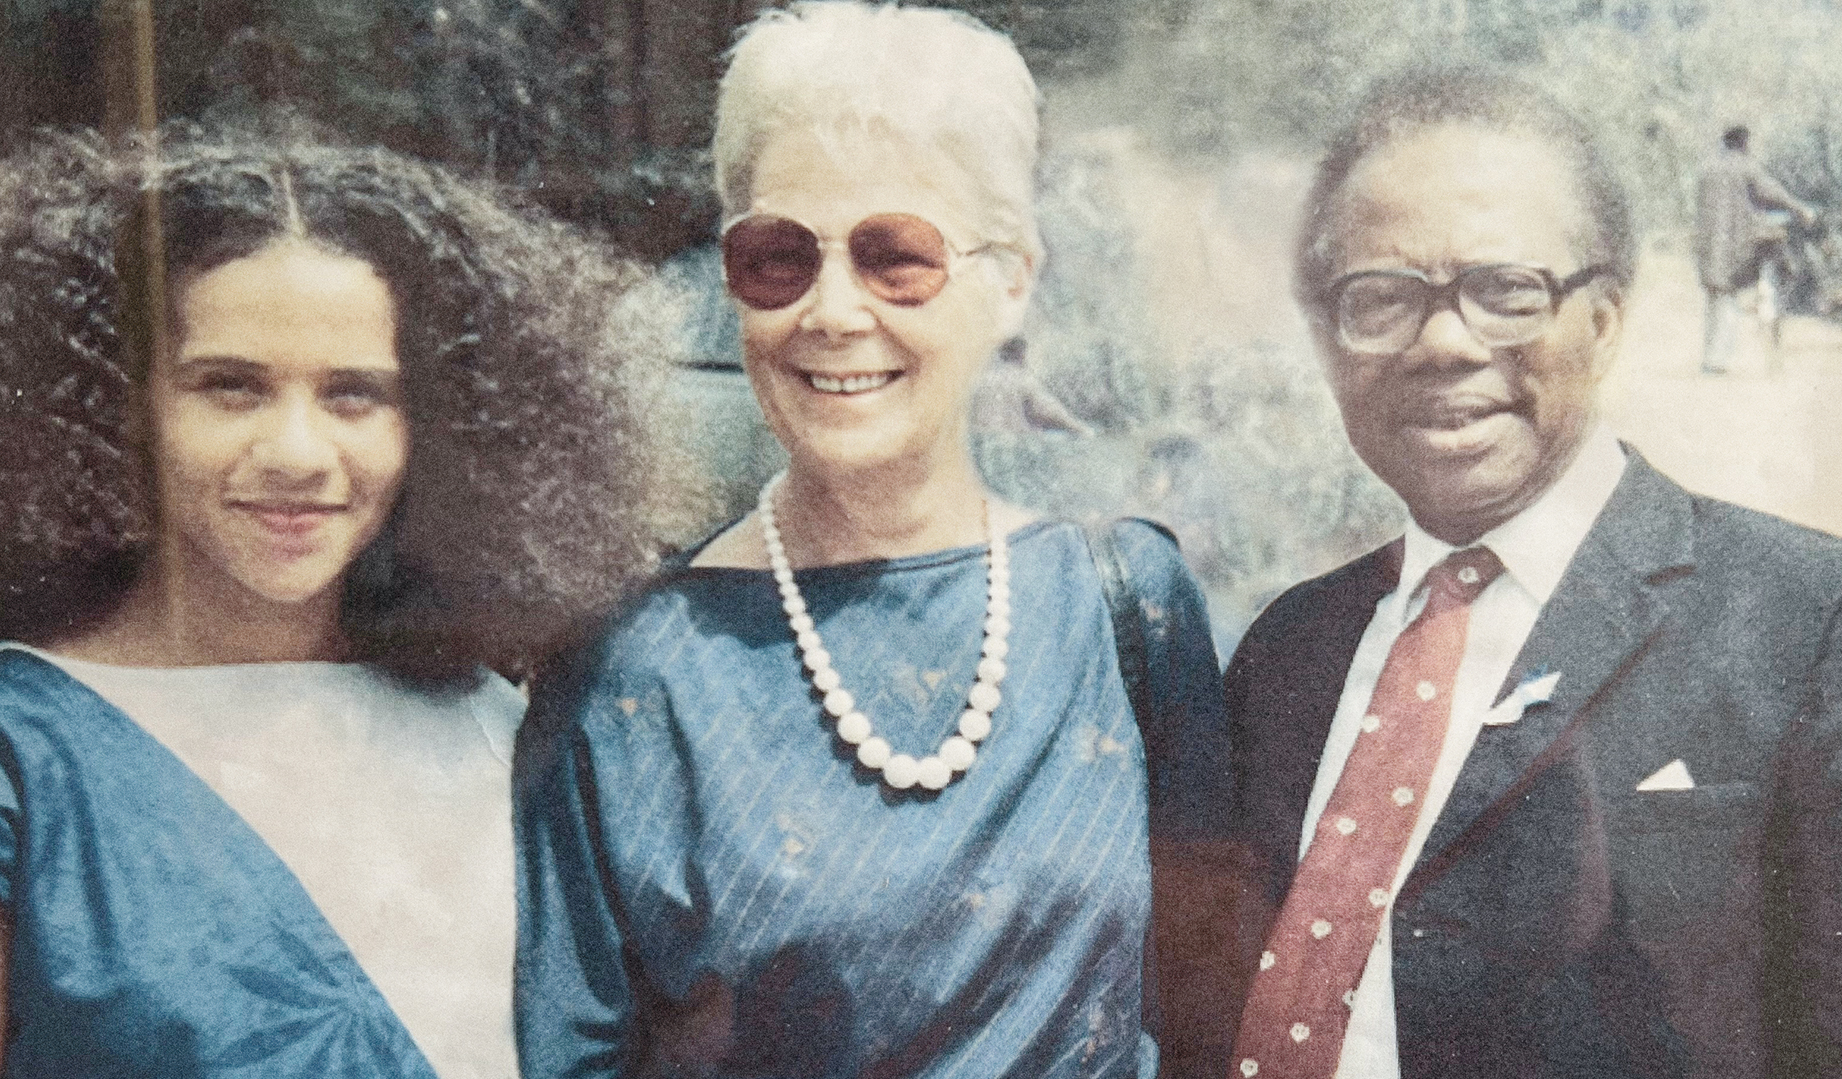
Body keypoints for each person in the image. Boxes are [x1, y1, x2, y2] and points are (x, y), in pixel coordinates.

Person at [514, 4, 1233, 1077]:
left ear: (1012, 279)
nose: (833, 311)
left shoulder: (1126, 603)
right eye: (778, 258)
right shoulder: (633, 667)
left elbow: (1210, 1013)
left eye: (897, 258)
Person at [0, 126, 665, 1078]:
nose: (297, 454)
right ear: (113, 407)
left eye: (355, 395)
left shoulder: (507, 727)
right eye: (230, 388)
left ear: (436, 425)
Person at [1218, 69, 1842, 1079]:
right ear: (1327, 340)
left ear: (1602, 319)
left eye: (1506, 290)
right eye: (1380, 298)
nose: (1444, 343)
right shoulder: (1290, 648)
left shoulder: (1806, 620)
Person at [1695, 124, 1816, 373]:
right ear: (1743, 143)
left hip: (1708, 245)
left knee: (1715, 300)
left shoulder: (1707, 170)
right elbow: (1771, 194)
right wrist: (1800, 209)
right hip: (1733, 245)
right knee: (1727, 298)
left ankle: (1710, 358)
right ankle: (1718, 361)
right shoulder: (1746, 168)